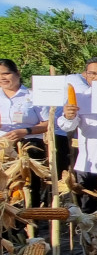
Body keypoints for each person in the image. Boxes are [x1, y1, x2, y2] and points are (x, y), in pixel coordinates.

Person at [57, 58, 97, 213]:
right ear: (85, 75)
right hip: (89, 164)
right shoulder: (79, 98)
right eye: (92, 74)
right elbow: (67, 126)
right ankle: (90, 238)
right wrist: (68, 116)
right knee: (88, 212)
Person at [0, 59, 48, 204]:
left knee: (28, 182)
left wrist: (25, 131)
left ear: (18, 73)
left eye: (6, 73)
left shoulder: (33, 95)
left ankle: (30, 216)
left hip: (29, 143)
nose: (2, 78)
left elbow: (47, 123)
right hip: (2, 145)